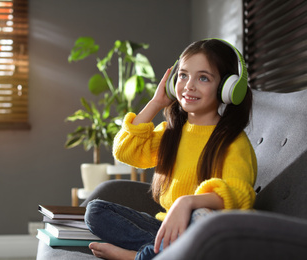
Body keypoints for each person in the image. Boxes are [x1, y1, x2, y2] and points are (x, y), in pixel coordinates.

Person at [84, 39, 257, 260]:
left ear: (227, 88)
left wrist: (188, 202)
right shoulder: (172, 132)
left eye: (203, 78)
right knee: (95, 211)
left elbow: (239, 193)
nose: (189, 86)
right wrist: (156, 102)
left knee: (201, 218)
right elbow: (125, 151)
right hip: (166, 228)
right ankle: (168, 252)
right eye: (183, 75)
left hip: (206, 227)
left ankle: (138, 257)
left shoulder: (233, 141)